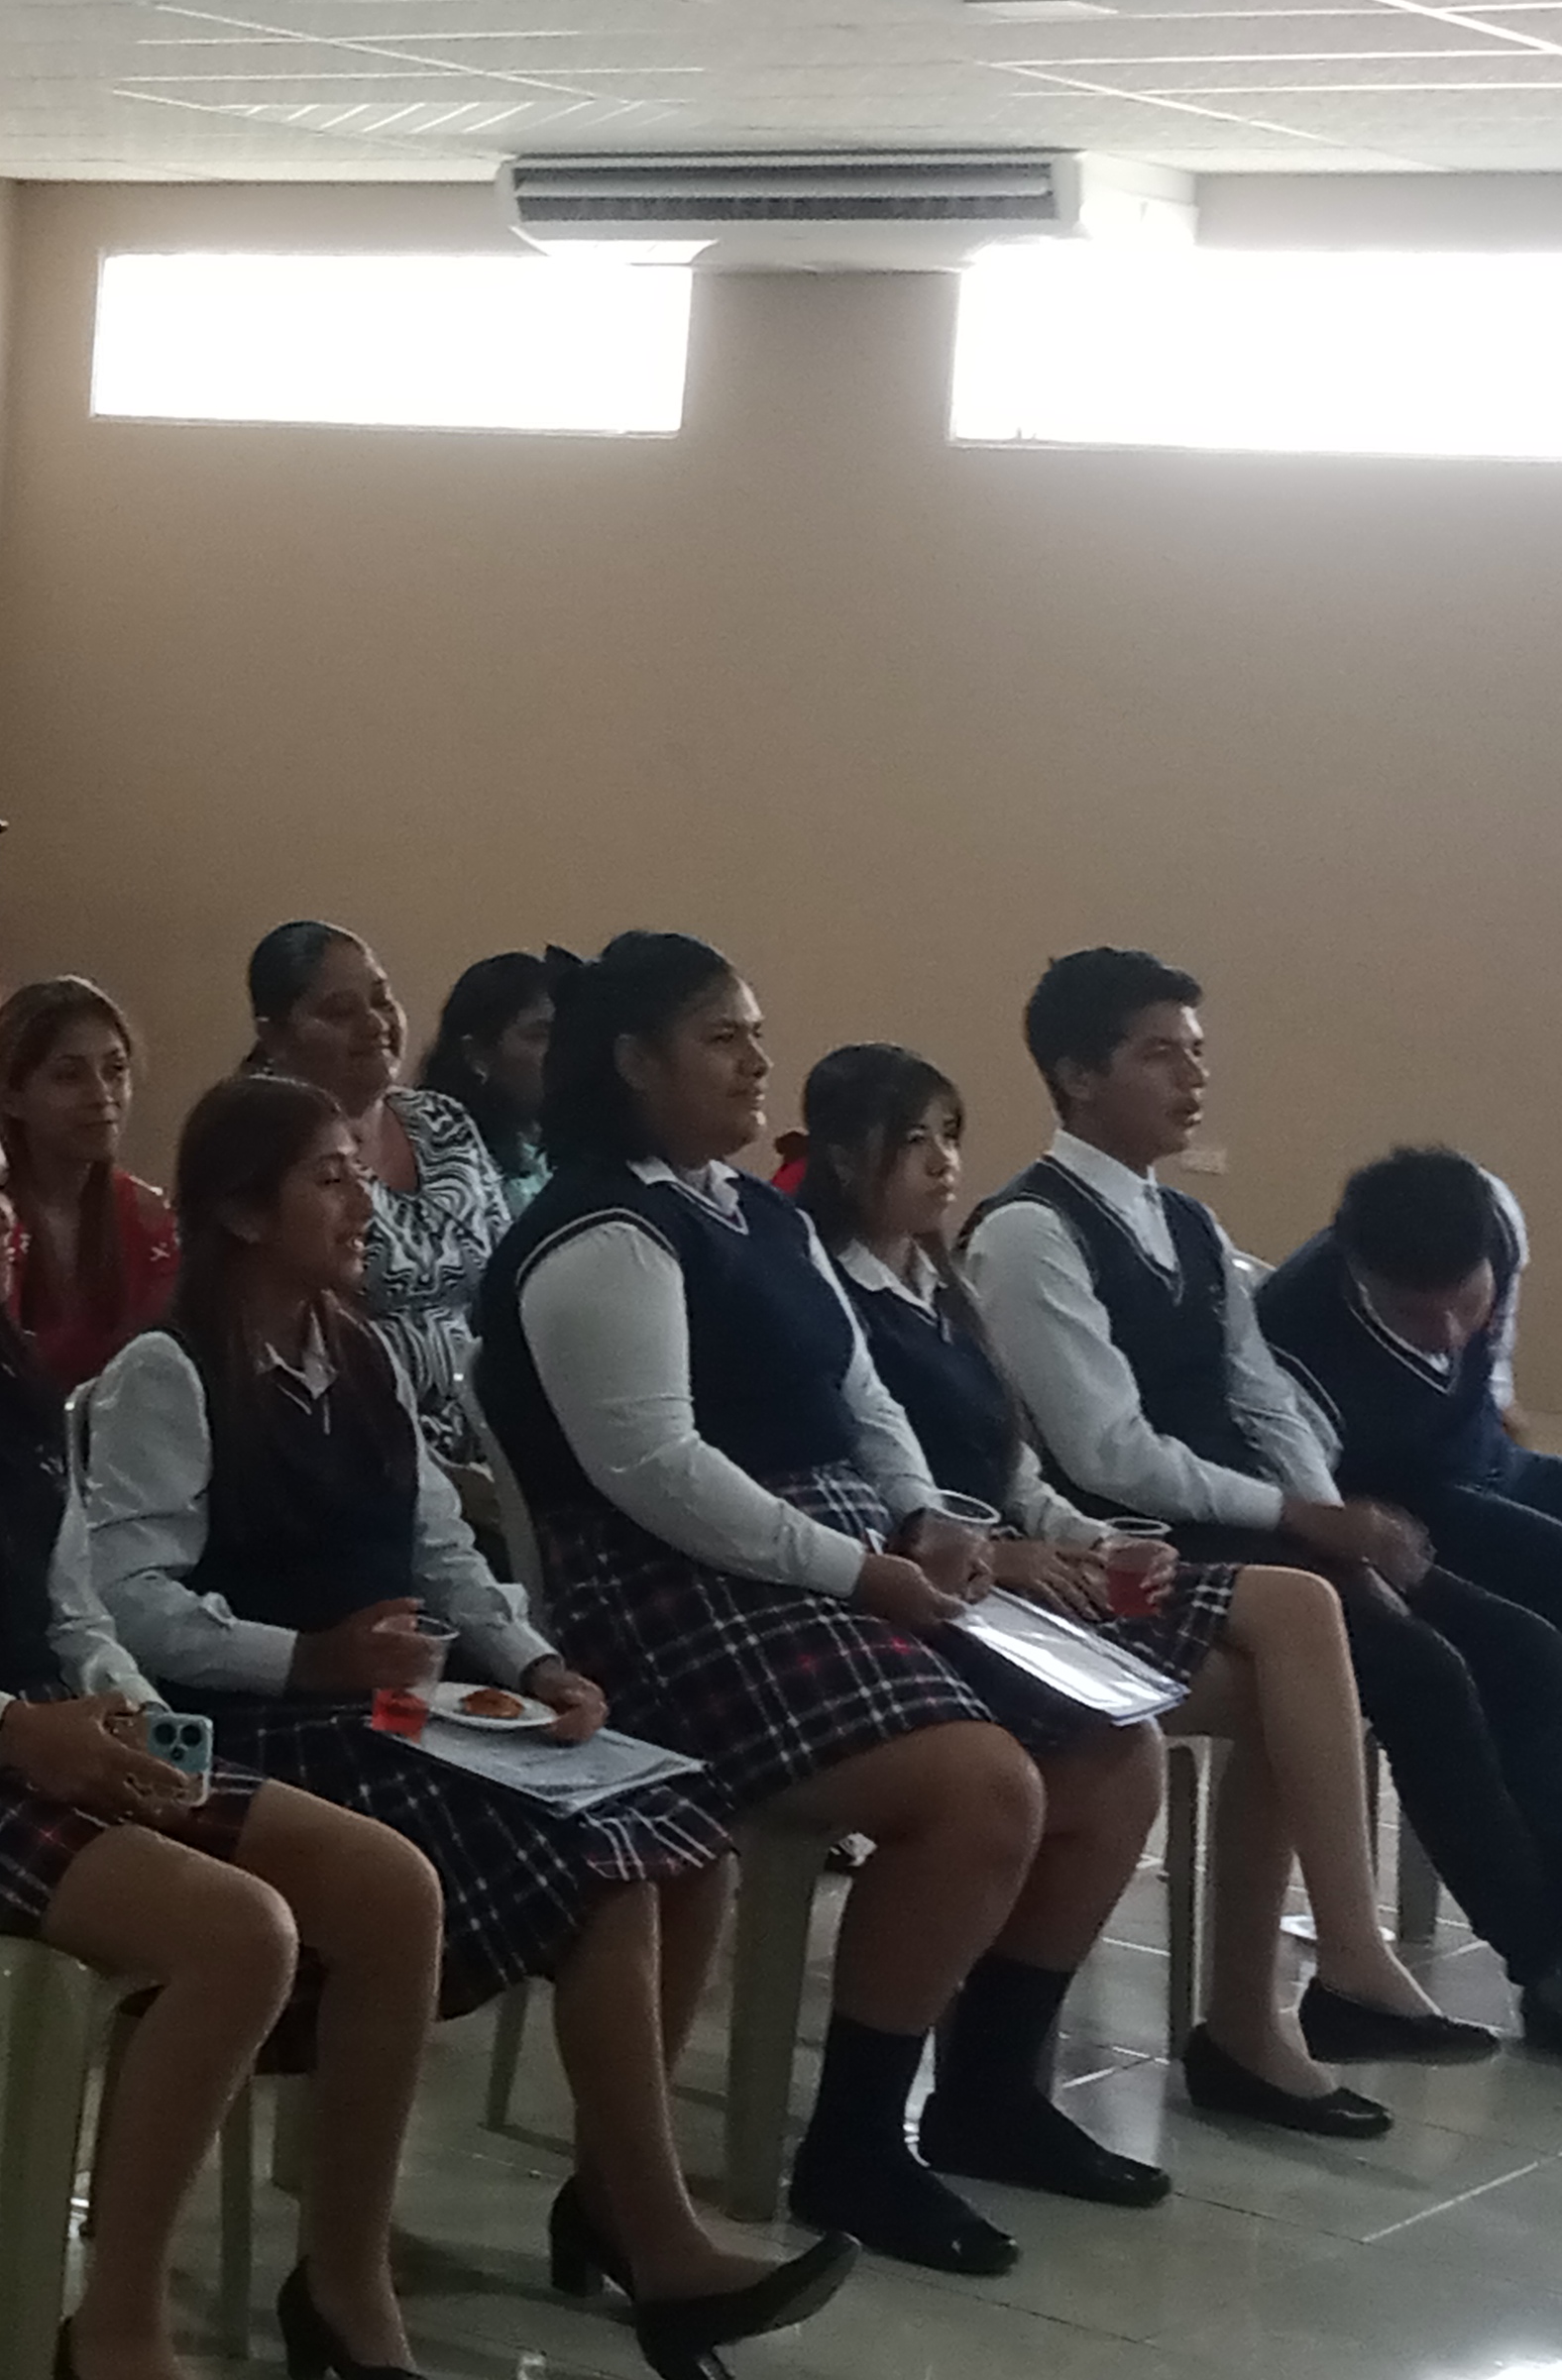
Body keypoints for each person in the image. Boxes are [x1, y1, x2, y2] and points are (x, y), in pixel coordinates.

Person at [86, 1073, 853, 2378]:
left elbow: (441, 1548)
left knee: (662, 1826)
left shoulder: (361, 1349)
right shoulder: (172, 1370)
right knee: (584, 1863)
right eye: (328, 1178)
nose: (362, 1204)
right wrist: (305, 1654)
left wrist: (537, 1662)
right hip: (259, 1729)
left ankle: (634, 2211)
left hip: (386, 1707)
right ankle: (383, 2273)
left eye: (358, 1172)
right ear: (243, 1213)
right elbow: (130, 1601)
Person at [0, 1070, 448, 2380]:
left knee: (391, 1889)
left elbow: (72, 1606)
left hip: (45, 1728)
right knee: (240, 1933)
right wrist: (15, 1729)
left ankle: (346, 2287)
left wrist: (139, 1720)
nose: (3, 1220)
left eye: (1, 1189)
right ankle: (116, 2329)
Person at [477, 932, 1156, 2279]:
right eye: (721, 1036)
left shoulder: (761, 1212)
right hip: (669, 1589)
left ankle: (989, 2092)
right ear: (634, 1060)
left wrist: (924, 1516)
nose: (756, 1061)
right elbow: (656, 1469)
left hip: (835, 1548)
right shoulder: (601, 1231)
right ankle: (853, 2142)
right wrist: (860, 1568)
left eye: (754, 1031)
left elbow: (862, 1400)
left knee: (1110, 1750)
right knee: (980, 1789)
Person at [799, 1042, 1491, 2137]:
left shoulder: (942, 1285)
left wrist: (1080, 1534)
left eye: (950, 1135)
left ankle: (1289, 1994)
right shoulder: (845, 1287)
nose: (942, 1163)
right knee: (1294, 1665)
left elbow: (1016, 1465)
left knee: (1302, 1614)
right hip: (942, 1588)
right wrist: (1009, 1551)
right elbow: (872, 1475)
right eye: (912, 1140)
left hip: (1034, 1560)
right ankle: (1294, 1991)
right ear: (844, 1160)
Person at [963, 947, 1562, 2052]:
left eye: (1195, 1053)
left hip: (1254, 1527)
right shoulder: (1026, 1231)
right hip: (1136, 1549)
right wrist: (1303, 1521)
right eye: (1158, 1054)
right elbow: (1107, 1450)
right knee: (1422, 1671)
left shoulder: (1188, 1225)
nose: (1192, 1078)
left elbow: (1263, 1397)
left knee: (1521, 1647)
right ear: (1077, 1075)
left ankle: (1538, 1939)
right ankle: (1533, 1957)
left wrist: (1335, 1522)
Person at [249, 922, 509, 1471]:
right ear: (275, 1038)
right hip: (354, 1447)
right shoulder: (261, 1152)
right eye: (339, 1012)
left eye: (382, 1000)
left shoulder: (442, 1121)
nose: (374, 1024)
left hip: (495, 1436)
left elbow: (506, 1278)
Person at [1262, 1149, 1562, 1626]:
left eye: (1468, 1303)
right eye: (1415, 1315)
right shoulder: (1293, 1348)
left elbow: (1498, 1334)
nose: (1450, 1334)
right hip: (1413, 1505)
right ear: (1360, 1275)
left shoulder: (1495, 1215)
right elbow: (1318, 1509)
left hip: (1494, 1458)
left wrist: (1501, 1397)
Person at [0, 975, 178, 1392]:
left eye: (115, 1071)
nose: (101, 1095)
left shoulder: (146, 1215)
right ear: (10, 1095)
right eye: (69, 1076)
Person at [419, 948, 576, 1219]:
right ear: (477, 1054)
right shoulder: (444, 1159)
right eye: (540, 1035)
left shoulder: (572, 1148)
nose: (563, 1051)